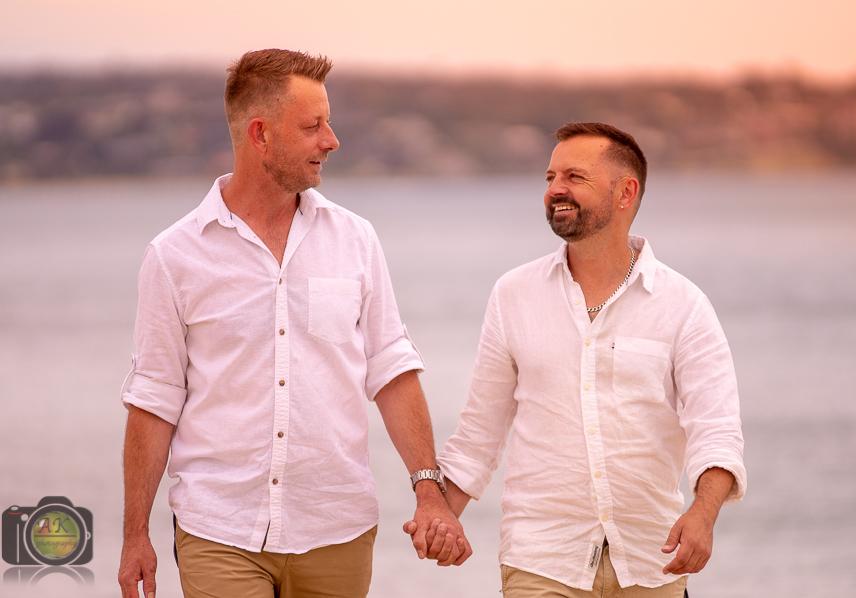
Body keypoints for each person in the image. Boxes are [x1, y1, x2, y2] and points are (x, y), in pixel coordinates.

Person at [117, 49, 470, 598]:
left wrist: (428, 490)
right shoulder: (174, 256)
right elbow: (155, 399)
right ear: (260, 134)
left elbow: (391, 369)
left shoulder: (356, 240)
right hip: (220, 531)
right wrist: (134, 534)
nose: (332, 140)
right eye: (313, 127)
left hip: (338, 531)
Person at [406, 122, 746, 597]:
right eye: (550, 178)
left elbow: (717, 430)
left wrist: (703, 514)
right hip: (542, 562)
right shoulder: (514, 295)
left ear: (625, 192)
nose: (555, 190)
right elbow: (480, 434)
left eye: (574, 177)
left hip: (653, 564)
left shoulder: (684, 305)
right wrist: (439, 513)